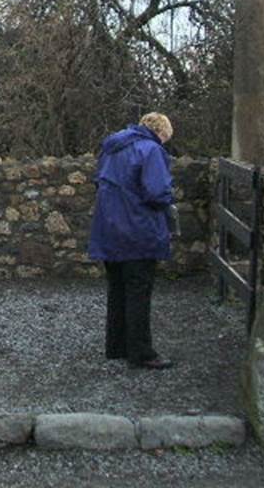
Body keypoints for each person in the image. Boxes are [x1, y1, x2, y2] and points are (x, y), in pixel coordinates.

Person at [88, 112, 175, 370]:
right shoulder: (151, 150)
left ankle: (116, 345)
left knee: (117, 289)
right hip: (138, 230)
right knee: (138, 291)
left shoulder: (112, 148)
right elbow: (156, 192)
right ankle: (142, 352)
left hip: (109, 229)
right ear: (162, 132)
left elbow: (99, 182)